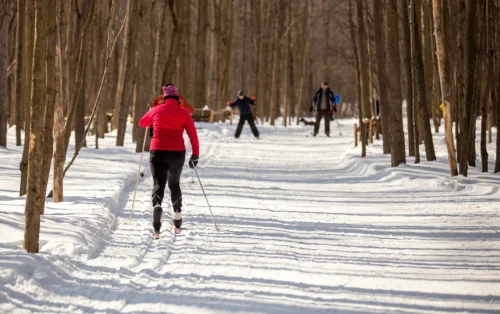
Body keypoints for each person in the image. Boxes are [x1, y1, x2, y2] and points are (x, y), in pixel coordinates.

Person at [138, 83, 199, 233]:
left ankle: (157, 206)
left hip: (157, 151)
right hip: (177, 153)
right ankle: (177, 215)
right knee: (174, 184)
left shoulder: (156, 110)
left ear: (164, 98)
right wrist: (195, 154)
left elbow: (142, 123)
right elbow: (192, 134)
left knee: (158, 182)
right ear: (177, 98)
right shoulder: (183, 113)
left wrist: (151, 113)